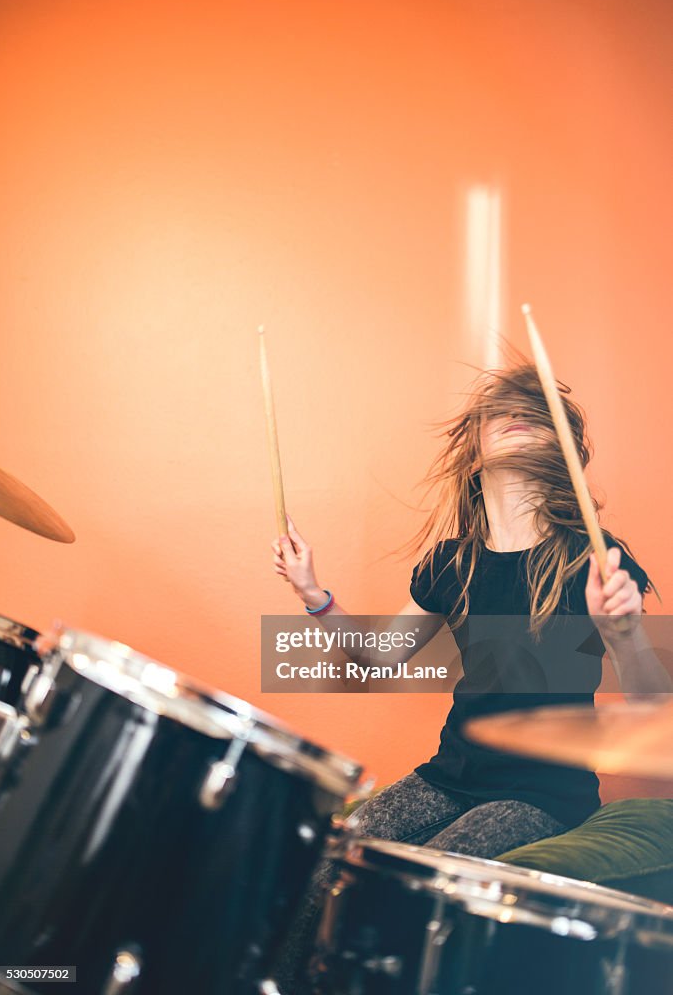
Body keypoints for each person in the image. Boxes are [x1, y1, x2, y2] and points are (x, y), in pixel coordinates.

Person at [268, 360, 667, 992]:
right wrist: (315, 594)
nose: (515, 413)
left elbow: (652, 699)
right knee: (329, 859)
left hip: (540, 793)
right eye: (500, 409)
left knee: (418, 882)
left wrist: (622, 633)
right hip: (448, 775)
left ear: (561, 448)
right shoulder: (451, 562)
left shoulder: (589, 557)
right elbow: (377, 662)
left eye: (536, 410)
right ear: (474, 449)